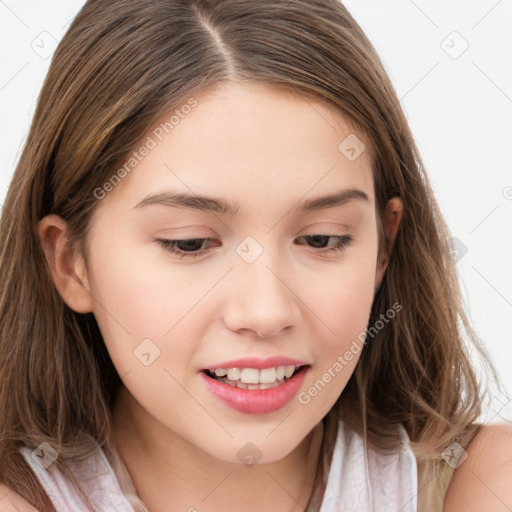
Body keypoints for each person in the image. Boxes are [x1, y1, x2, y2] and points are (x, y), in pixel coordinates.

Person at [0, 1, 511, 511]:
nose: (266, 312)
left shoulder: (483, 486)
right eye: (190, 243)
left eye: (322, 239)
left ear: (384, 246)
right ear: (70, 264)